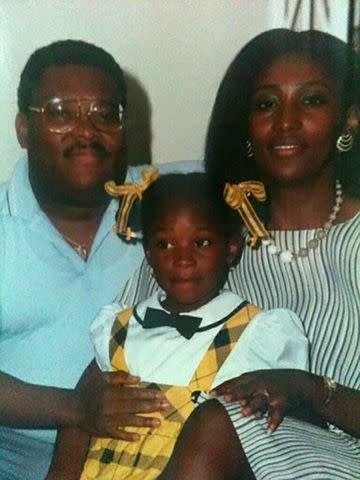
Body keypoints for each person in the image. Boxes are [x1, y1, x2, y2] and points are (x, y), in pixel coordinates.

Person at [117, 29, 360, 478]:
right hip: (204, 455)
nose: (286, 122)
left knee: (217, 421)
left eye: (311, 101)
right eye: (266, 104)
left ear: (350, 119)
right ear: (246, 123)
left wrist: (307, 388)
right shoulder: (204, 235)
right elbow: (114, 362)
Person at [45, 171, 309, 479]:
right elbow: (79, 420)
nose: (183, 258)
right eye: (165, 244)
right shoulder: (119, 329)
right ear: (147, 253)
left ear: (232, 247)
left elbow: (289, 430)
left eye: (201, 242)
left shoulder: (257, 334)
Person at [0, 39, 172, 480]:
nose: (86, 130)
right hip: (26, 463)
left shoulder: (167, 204)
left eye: (105, 114)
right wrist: (74, 408)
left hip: (159, 455)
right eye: (59, 112)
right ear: (23, 128)